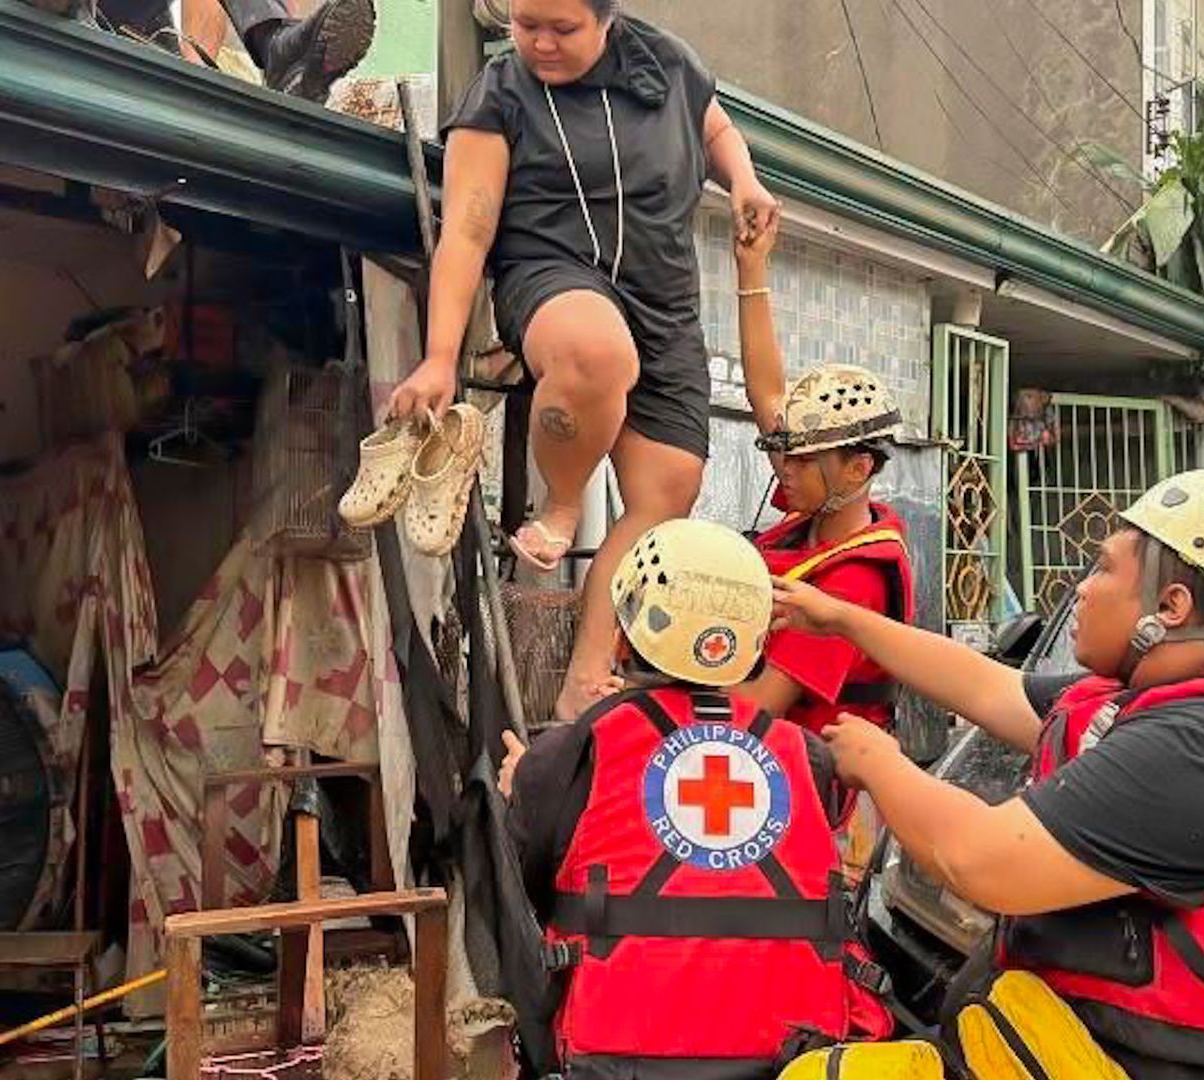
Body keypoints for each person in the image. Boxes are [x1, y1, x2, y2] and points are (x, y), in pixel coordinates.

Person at [775, 470, 1204, 1080]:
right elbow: (993, 690)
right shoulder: (1176, 693)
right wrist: (842, 619)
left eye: (1103, 568)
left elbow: (981, 861)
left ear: (1170, 607)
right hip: (1094, 1043)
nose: (1082, 590)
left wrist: (880, 765)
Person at [384, 0, 781, 721]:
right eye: (524, 23)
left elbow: (714, 125)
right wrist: (440, 357)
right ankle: (563, 500)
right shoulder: (500, 95)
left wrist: (744, 180)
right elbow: (469, 229)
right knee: (595, 353)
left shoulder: (667, 63)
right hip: (552, 272)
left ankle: (584, 682)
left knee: (668, 492)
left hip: (662, 296)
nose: (539, 43)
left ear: (608, 19)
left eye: (562, 29)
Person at [499, 518, 890, 1080]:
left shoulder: (572, 752)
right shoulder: (807, 756)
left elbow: (529, 890)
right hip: (794, 1056)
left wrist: (524, 788)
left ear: (624, 637)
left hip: (613, 1055)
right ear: (754, 644)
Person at [727, 218, 913, 738]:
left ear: (859, 468)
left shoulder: (854, 582)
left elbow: (758, 708)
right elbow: (766, 390)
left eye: (804, 461)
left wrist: (647, 700)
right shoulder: (817, 502)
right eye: (786, 453)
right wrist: (752, 268)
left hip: (819, 791)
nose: (786, 468)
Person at [96, 0, 376, 102]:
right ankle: (281, 54)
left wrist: (193, 75)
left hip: (148, 33)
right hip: (88, 22)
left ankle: (279, 50)